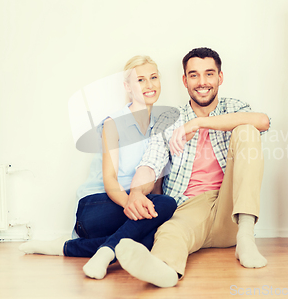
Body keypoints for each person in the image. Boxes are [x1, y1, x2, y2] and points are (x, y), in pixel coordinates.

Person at [114, 47, 270, 287]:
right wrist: (135, 192)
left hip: (231, 209)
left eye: (209, 74)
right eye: (194, 75)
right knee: (170, 232)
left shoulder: (234, 107)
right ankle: (165, 271)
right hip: (188, 206)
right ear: (185, 81)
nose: (202, 82)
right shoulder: (169, 119)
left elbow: (262, 121)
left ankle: (246, 239)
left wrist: (197, 123)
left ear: (220, 77)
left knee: (247, 130)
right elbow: (150, 162)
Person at [19, 55, 177, 280]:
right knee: (163, 208)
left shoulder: (161, 126)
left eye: (153, 77)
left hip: (133, 209)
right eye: (140, 80)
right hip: (97, 207)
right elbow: (110, 180)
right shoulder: (113, 123)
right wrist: (133, 204)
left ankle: (71, 248)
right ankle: (105, 250)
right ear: (128, 87)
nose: (149, 85)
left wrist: (155, 213)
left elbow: (157, 184)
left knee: (161, 223)